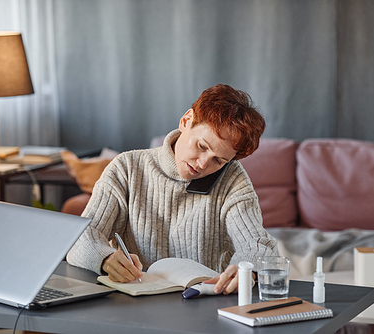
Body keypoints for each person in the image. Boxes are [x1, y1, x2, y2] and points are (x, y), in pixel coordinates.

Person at [67, 83, 278, 295]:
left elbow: (257, 245)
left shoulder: (232, 178)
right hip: (134, 302)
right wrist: (105, 257)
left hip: (203, 302)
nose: (204, 164)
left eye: (219, 160)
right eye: (202, 146)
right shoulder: (127, 167)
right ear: (186, 120)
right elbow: (80, 236)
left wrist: (248, 269)